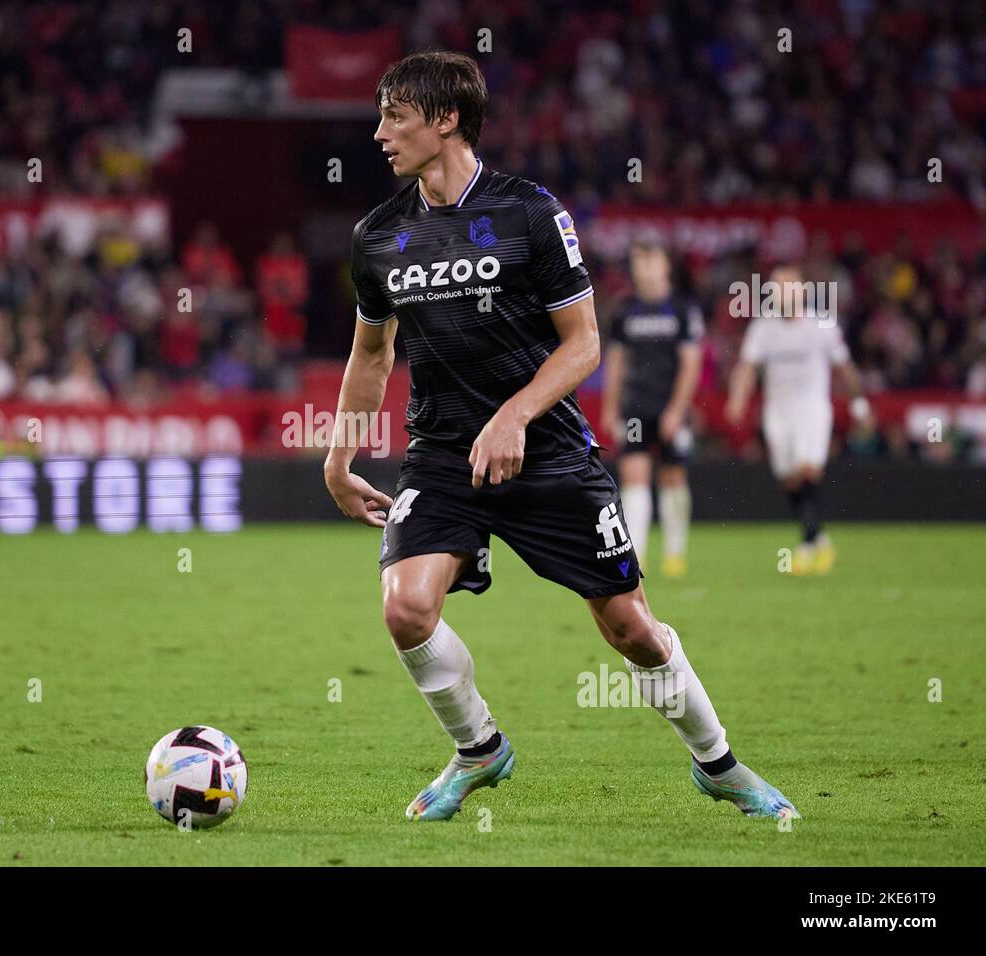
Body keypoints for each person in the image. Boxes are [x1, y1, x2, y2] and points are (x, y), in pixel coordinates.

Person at [323, 51, 798, 822]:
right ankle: (479, 749)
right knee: (405, 608)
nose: (380, 133)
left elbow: (583, 344)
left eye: (394, 116)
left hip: (545, 452)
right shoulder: (379, 236)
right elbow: (371, 355)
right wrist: (340, 458)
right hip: (444, 454)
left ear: (445, 120)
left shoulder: (530, 213)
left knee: (630, 628)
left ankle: (718, 763)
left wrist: (515, 413)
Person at [726, 263, 872, 573]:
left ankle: (806, 545)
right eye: (776, 287)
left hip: (811, 408)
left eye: (788, 285)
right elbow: (748, 367)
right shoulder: (763, 328)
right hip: (777, 410)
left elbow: (844, 369)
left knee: (807, 471)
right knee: (789, 480)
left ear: (802, 291)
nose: (782, 292)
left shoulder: (821, 326)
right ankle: (819, 538)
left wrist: (860, 405)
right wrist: (738, 398)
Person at [601, 240, 703, 577]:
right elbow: (616, 362)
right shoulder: (625, 310)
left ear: (665, 265)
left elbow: (691, 364)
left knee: (673, 475)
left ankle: (675, 553)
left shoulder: (683, 309)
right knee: (633, 474)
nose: (643, 268)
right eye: (637, 261)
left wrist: (678, 409)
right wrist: (610, 406)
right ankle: (637, 555)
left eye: (650, 260)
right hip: (636, 404)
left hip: (670, 405)